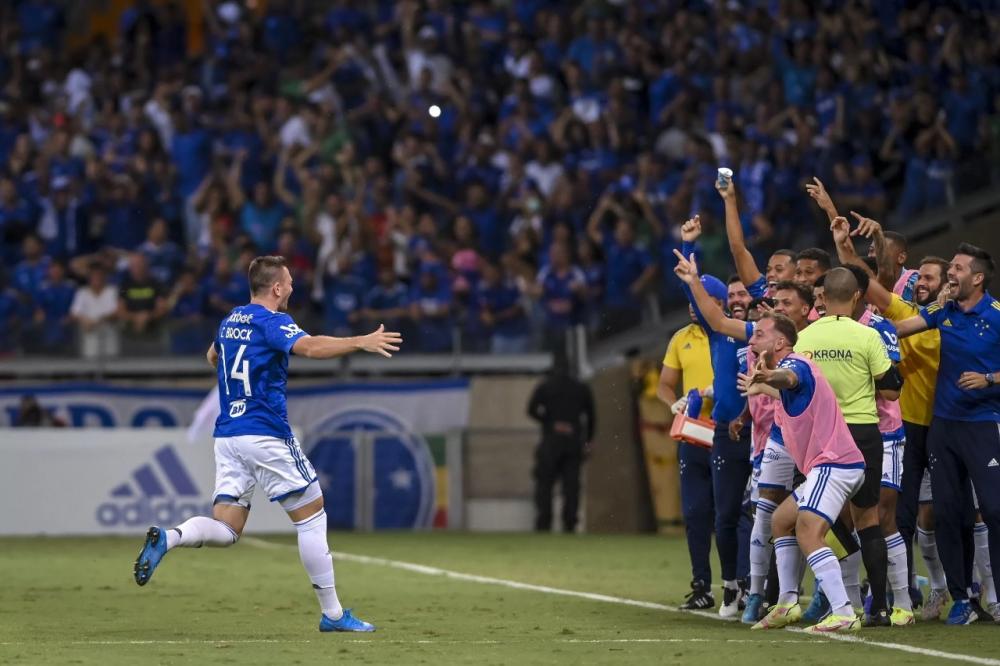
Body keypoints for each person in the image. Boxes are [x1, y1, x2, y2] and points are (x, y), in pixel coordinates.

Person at [133, 255, 402, 633]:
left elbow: (213, 356)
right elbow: (309, 348)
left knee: (226, 529)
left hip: (228, 436)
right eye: (289, 282)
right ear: (276, 288)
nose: (292, 287)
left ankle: (172, 537)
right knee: (312, 514)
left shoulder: (231, 320)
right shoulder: (273, 322)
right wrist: (360, 341)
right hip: (265, 432)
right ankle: (334, 615)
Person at [830, 213, 952, 619]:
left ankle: (920, 596)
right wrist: (840, 230)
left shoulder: (894, 326)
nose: (921, 282)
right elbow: (865, 277)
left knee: (902, 515)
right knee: (868, 516)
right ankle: (870, 599)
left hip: (913, 428)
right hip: (883, 430)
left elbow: (888, 386)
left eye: (931, 277)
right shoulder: (865, 322)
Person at [892, 243, 1000, 625]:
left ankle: (997, 596)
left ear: (977, 277)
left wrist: (989, 379)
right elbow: (902, 328)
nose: (950, 274)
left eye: (956, 268)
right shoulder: (943, 311)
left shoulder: (997, 315)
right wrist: (863, 330)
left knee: (993, 508)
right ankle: (962, 598)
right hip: (944, 427)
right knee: (949, 513)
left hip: (985, 425)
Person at [739, 313, 866, 634]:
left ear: (780, 343)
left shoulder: (798, 365)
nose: (752, 340)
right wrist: (764, 386)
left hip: (835, 464)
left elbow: (791, 378)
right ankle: (787, 602)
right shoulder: (790, 377)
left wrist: (770, 376)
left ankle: (843, 611)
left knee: (809, 532)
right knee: (781, 520)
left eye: (759, 334)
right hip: (831, 466)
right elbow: (787, 390)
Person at [792, 267, 902, 626]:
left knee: (821, 517)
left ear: (822, 298)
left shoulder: (805, 338)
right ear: (857, 297)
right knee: (868, 517)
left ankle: (844, 599)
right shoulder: (867, 336)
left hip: (822, 436)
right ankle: (881, 608)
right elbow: (891, 390)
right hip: (862, 433)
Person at [677, 216, 754, 618]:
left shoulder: (764, 331)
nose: (738, 299)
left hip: (762, 431)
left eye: (743, 294)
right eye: (733, 295)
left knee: (757, 516)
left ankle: (757, 588)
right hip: (725, 431)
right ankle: (730, 586)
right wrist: (690, 248)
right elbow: (696, 294)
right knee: (725, 515)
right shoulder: (719, 329)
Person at [657, 291, 719, 610]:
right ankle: (701, 585)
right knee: (695, 513)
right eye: (691, 302)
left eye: (701, 301)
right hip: (694, 434)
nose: (693, 309)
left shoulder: (729, 332)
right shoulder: (681, 337)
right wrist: (674, 404)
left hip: (726, 432)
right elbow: (664, 384)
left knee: (729, 515)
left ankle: (741, 583)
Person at [527, 352, 596, 533]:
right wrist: (588, 441)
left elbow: (531, 410)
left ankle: (544, 523)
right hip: (573, 442)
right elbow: (591, 417)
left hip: (551, 441)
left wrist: (548, 422)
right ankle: (570, 524)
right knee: (571, 486)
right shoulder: (581, 388)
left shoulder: (546, 387)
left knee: (545, 485)